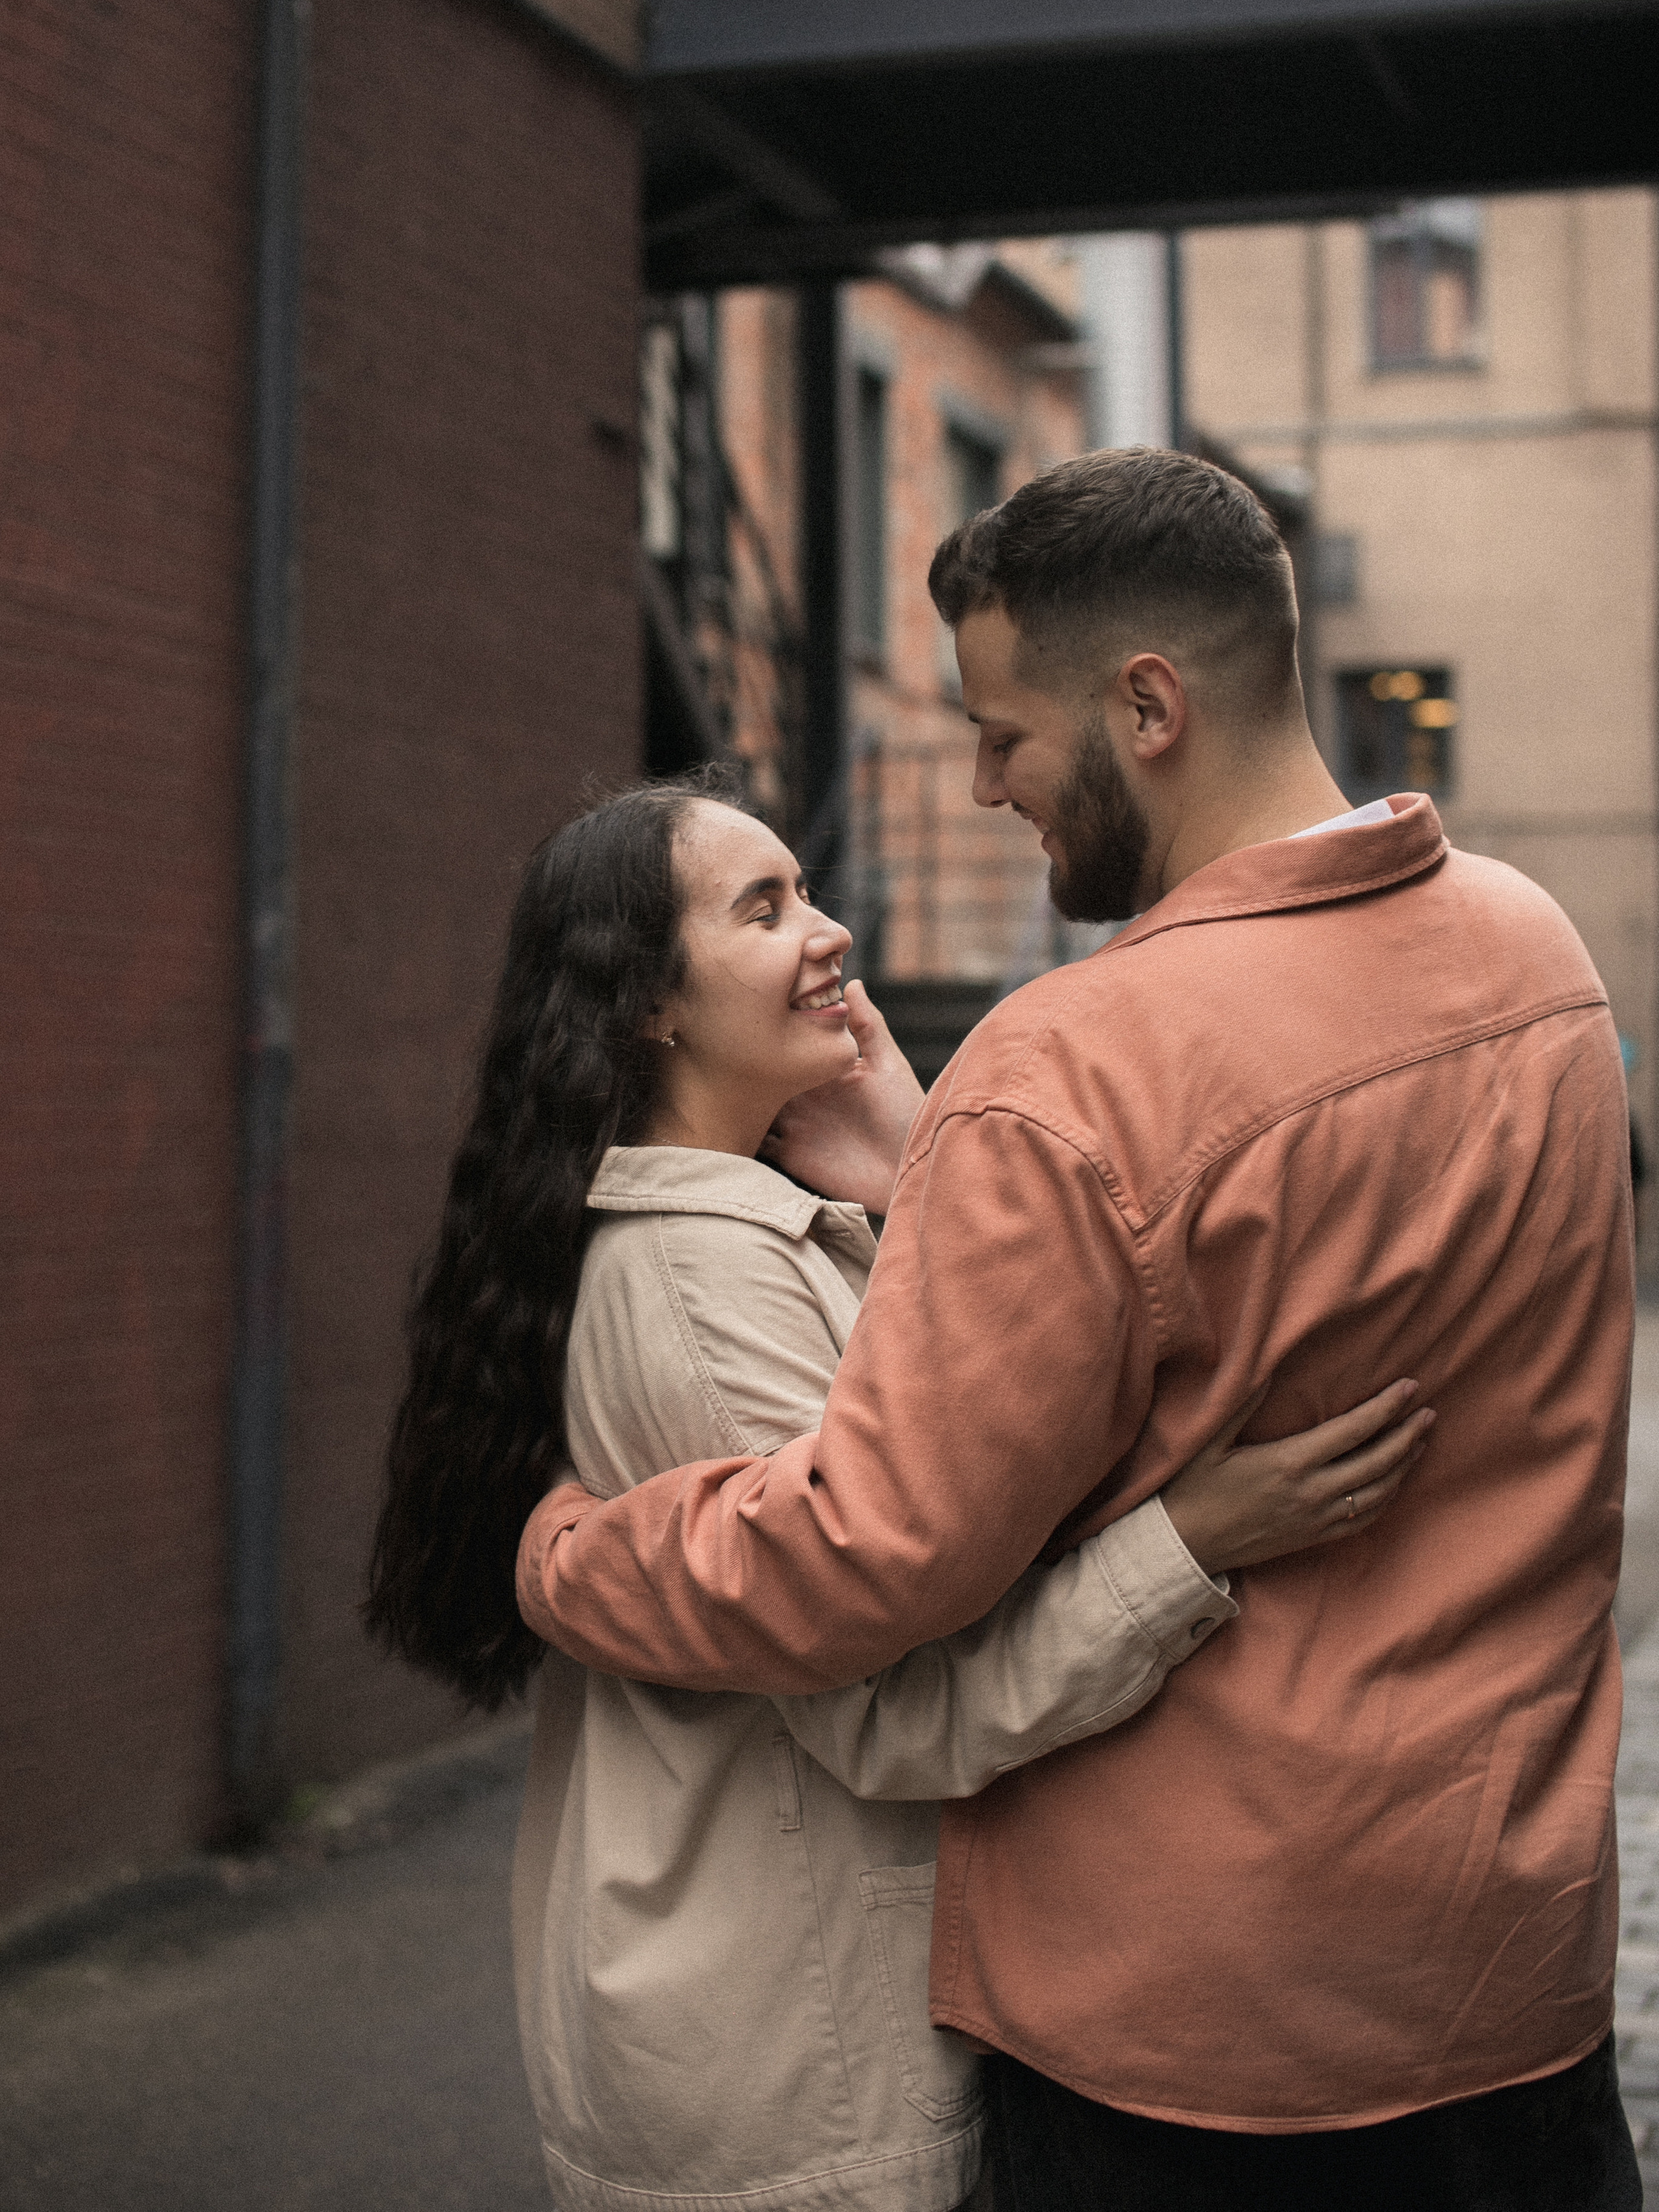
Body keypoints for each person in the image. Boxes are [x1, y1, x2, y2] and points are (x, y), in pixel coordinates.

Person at [518, 450, 1641, 2211]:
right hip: (1517, 1986)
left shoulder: (1074, 1069)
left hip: (1194, 2048)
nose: (979, 785)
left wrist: (570, 1562)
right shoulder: (1539, 961)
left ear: (1149, 706)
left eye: (1003, 732)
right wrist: (936, 1177)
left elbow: (857, 1565)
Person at [365, 769, 1431, 2212]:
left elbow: (958, 1497)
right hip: (792, 2068)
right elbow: (889, 1712)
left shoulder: (764, 1237)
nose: (832, 933)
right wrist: (1193, 1540)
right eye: (764, 908)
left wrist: (911, 1168)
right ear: (650, 1006)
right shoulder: (705, 1275)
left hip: (766, 2028)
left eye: (807, 890)